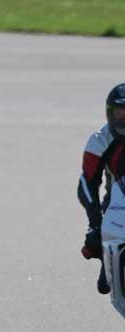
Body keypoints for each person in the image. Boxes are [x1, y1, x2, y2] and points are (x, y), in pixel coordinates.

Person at [79, 83, 125, 295]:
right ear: (109, 113)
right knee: (105, 284)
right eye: (119, 113)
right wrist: (95, 223)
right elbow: (87, 183)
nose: (123, 119)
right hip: (117, 204)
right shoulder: (100, 140)